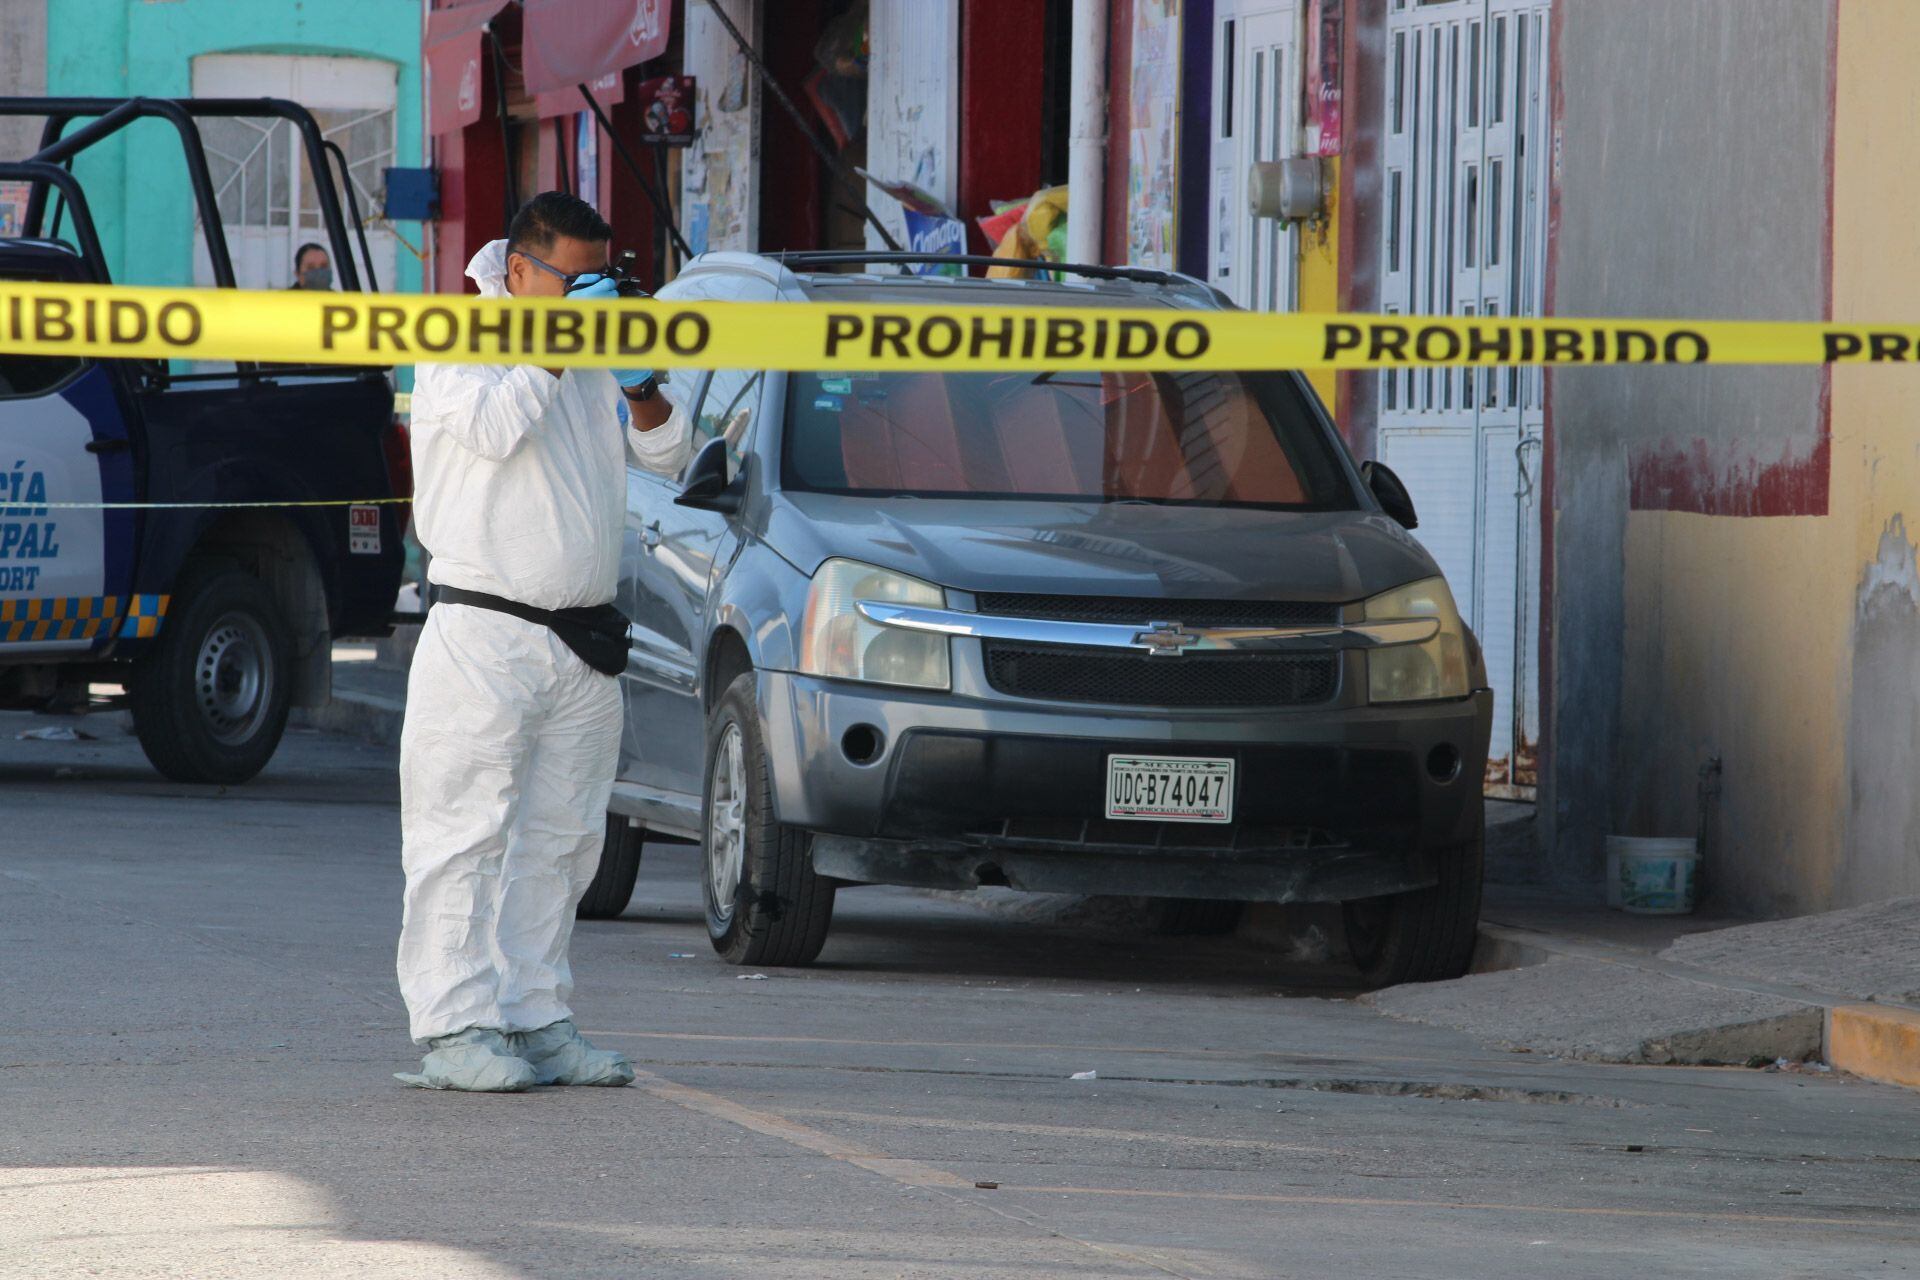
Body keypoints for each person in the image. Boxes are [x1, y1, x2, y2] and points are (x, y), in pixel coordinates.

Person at [395, 192, 692, 1092]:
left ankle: (536, 1017)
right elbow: (491, 429)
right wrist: (559, 347)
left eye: (601, 278)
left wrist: (640, 383)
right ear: (519, 271)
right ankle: (453, 1029)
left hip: (582, 637)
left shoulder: (587, 351)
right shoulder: (457, 336)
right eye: (574, 278)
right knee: (462, 835)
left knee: (561, 842)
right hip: (483, 631)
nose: (588, 295)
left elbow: (670, 456)